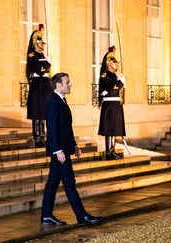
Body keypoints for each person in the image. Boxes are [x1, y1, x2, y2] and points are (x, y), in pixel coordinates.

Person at [41, 72, 103, 225]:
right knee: (69, 182)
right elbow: (52, 129)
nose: (70, 85)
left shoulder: (61, 101)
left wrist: (73, 145)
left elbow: (66, 127)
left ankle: (46, 214)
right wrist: (57, 151)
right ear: (58, 85)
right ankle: (82, 215)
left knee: (53, 182)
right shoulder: (52, 102)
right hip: (59, 151)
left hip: (64, 148)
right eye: (67, 82)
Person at [26, 24, 53, 147]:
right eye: (41, 44)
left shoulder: (42, 56)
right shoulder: (32, 56)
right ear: (35, 44)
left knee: (44, 111)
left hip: (45, 85)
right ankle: (36, 136)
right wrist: (47, 63)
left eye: (43, 44)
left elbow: (47, 72)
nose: (43, 46)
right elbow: (39, 71)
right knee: (37, 111)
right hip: (37, 85)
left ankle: (43, 135)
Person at [98, 47, 126, 160]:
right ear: (109, 63)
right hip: (109, 105)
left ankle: (112, 150)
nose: (117, 65)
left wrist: (121, 82)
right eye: (114, 62)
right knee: (110, 129)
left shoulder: (114, 75)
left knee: (115, 128)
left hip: (115, 105)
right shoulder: (105, 75)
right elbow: (110, 90)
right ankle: (109, 152)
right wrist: (120, 83)